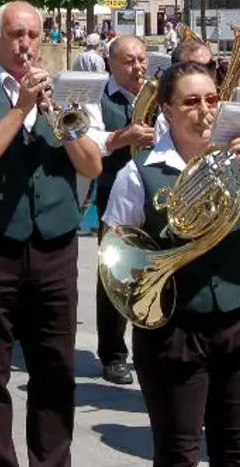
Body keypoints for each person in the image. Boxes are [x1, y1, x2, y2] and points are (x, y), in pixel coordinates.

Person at [104, 61, 240, 466]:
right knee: (178, 453)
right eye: (190, 102)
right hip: (175, 334)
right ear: (167, 112)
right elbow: (116, 254)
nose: (205, 110)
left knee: (237, 453)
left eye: (211, 99)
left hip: (239, 325)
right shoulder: (139, 173)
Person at [0, 1, 103, 467]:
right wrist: (20, 110)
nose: (26, 45)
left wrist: (59, 116)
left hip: (54, 245)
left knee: (56, 365)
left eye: (34, 35)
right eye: (16, 34)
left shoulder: (68, 94)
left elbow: (92, 165)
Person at [90, 34, 154, 386]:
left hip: (155, 189)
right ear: (111, 63)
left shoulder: (158, 94)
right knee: (115, 272)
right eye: (129, 61)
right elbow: (93, 143)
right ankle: (113, 353)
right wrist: (124, 136)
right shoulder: (99, 98)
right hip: (113, 191)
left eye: (141, 59)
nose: (138, 67)